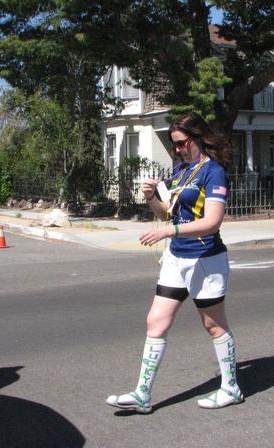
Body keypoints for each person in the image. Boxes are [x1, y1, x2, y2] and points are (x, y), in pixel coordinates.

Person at [105, 112, 243, 414]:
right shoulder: (180, 170)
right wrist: (152, 197)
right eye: (173, 144)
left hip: (205, 259)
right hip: (176, 258)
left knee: (213, 324)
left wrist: (169, 230)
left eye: (180, 143)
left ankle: (231, 387)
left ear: (196, 138)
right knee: (155, 321)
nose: (176, 149)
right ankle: (142, 394)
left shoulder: (213, 172)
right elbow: (166, 213)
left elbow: (212, 221)